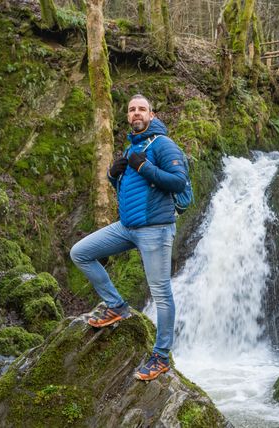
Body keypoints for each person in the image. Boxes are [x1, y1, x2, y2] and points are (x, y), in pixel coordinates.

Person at [70, 94, 188, 382]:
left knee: (161, 294)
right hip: (127, 227)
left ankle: (160, 357)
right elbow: (131, 187)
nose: (137, 113)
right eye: (132, 110)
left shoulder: (162, 144)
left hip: (156, 230)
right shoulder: (131, 147)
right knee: (80, 253)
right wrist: (113, 175)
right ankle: (117, 307)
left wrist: (142, 166)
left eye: (142, 109)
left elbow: (178, 181)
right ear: (127, 116)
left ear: (152, 114)